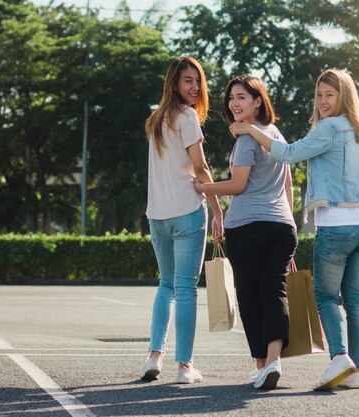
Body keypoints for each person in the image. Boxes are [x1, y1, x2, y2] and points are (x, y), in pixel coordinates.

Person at [230, 68, 359, 391]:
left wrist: (251, 131)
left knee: (326, 296)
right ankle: (356, 370)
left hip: (336, 225)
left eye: (330, 95)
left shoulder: (329, 129)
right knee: (356, 300)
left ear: (344, 97)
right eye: (319, 95)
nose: (323, 101)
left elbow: (288, 154)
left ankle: (340, 358)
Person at [194, 75, 297, 390]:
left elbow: (237, 186)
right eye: (231, 98)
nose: (234, 103)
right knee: (275, 292)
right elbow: (289, 184)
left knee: (251, 297)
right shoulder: (274, 134)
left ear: (257, 101)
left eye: (241, 97)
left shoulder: (246, 141)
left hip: (247, 228)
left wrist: (201, 186)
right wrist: (290, 222)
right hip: (282, 227)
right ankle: (273, 361)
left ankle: (262, 365)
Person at [140, 57, 224, 384]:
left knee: (166, 285)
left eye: (197, 81)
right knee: (186, 289)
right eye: (187, 81)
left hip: (157, 216)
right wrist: (218, 210)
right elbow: (201, 168)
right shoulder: (187, 117)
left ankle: (154, 356)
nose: (194, 87)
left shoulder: (156, 119)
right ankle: (184, 366)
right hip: (187, 211)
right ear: (174, 84)